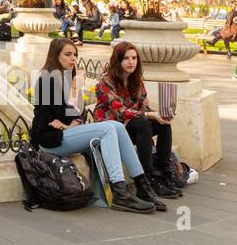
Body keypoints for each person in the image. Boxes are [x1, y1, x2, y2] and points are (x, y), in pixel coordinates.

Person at [30, 38, 156, 214]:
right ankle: (120, 192)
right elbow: (64, 113)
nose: (73, 59)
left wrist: (73, 122)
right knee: (108, 128)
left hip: (66, 134)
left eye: (75, 54)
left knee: (117, 127)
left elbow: (78, 114)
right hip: (49, 140)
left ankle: (142, 183)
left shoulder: (69, 79)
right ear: (55, 56)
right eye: (67, 55)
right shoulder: (47, 79)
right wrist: (71, 119)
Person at [93, 41, 183, 207]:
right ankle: (146, 178)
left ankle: (163, 174)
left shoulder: (137, 80)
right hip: (112, 133)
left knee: (162, 124)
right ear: (117, 60)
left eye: (134, 58)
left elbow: (144, 107)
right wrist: (149, 114)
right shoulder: (105, 82)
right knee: (142, 122)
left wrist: (161, 115)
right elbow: (119, 111)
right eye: (126, 58)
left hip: (132, 130)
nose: (131, 62)